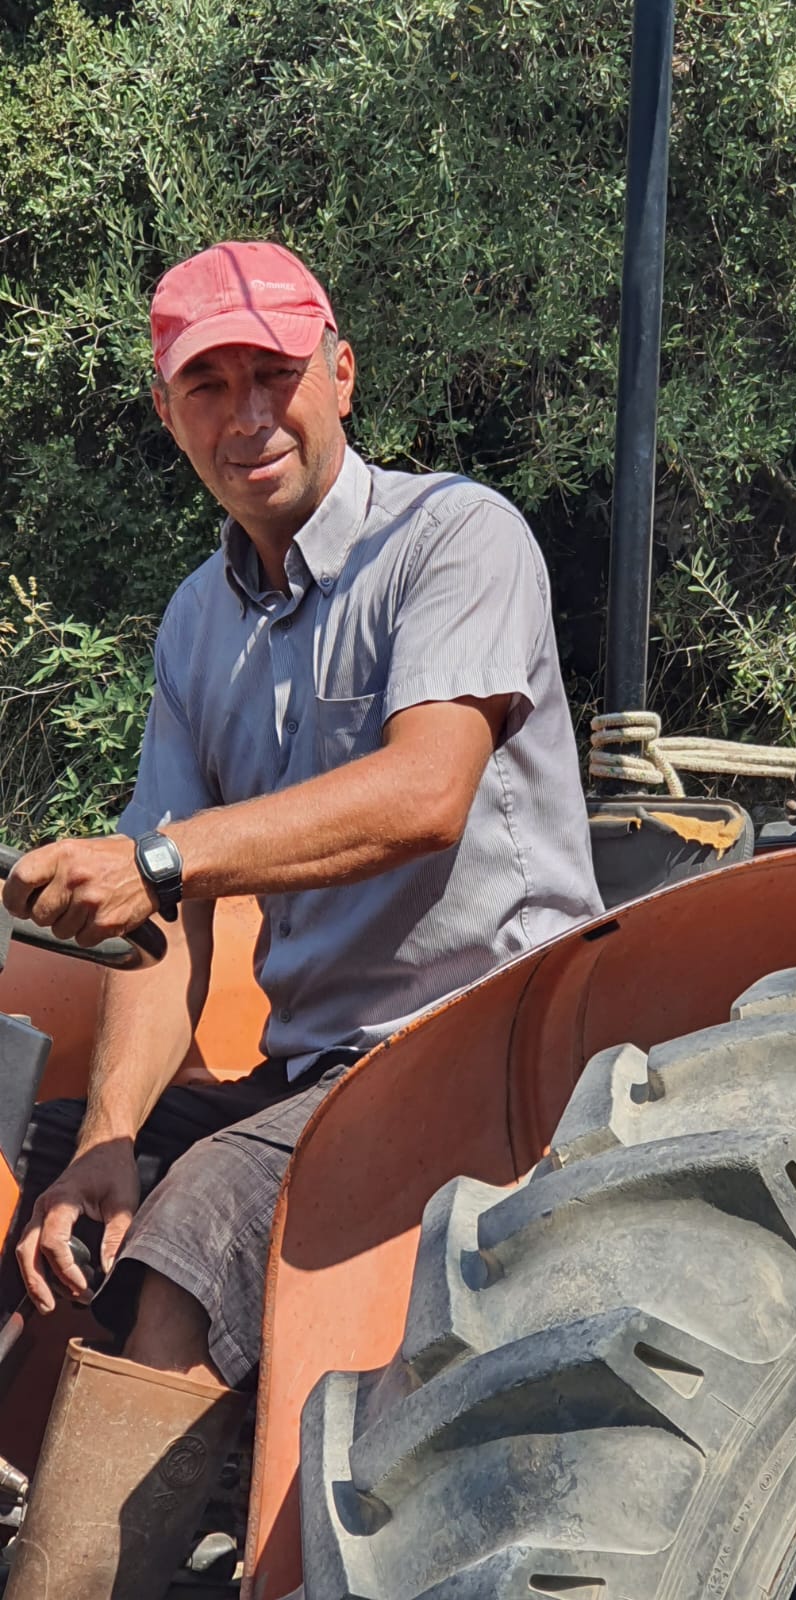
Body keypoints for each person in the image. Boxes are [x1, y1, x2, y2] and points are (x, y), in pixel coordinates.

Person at [0, 240, 603, 1597]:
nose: (247, 414)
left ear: (341, 375)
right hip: (316, 1067)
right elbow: (163, 923)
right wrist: (104, 1143)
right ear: (169, 414)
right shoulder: (197, 619)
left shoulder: (457, 537)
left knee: (199, 1222)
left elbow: (425, 792)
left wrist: (161, 860)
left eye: (273, 374)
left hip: (489, 1044)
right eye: (207, 386)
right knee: (37, 1155)